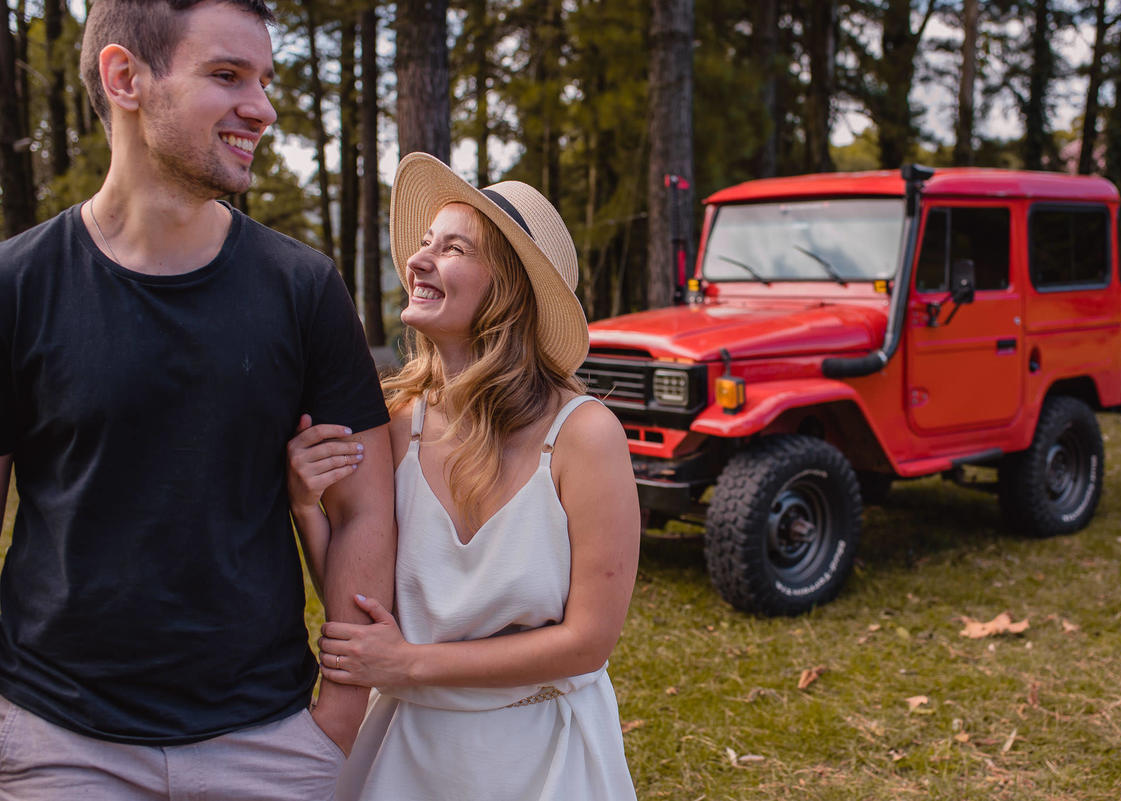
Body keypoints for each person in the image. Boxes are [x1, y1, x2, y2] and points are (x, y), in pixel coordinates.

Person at [0, 1, 395, 798]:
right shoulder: (17, 285)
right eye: (227, 75)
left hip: (269, 742)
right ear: (125, 78)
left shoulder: (304, 288)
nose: (263, 108)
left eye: (265, 80)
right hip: (55, 742)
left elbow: (365, 505)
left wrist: (339, 714)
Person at [286, 151, 641, 800]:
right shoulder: (397, 424)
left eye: (452, 248)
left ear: (509, 290)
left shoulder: (585, 436)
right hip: (405, 751)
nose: (418, 261)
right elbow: (365, 596)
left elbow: (588, 642)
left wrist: (409, 663)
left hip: (543, 755)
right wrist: (308, 506)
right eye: (424, 243)